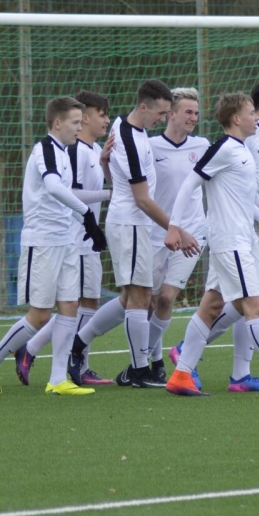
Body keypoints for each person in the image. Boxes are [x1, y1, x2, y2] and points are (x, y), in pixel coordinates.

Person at [164, 93, 259, 397]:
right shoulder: (223, 149)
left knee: (211, 307)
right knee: (254, 308)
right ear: (236, 119)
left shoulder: (241, 149)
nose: (256, 117)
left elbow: (242, 198)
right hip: (230, 243)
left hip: (238, 240)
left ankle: (181, 376)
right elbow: (190, 183)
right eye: (250, 113)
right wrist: (174, 226)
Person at [66, 80, 200, 389]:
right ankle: (139, 371)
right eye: (161, 113)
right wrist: (176, 228)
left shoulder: (128, 130)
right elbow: (141, 199)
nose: (163, 119)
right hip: (130, 224)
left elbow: (120, 183)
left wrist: (105, 164)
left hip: (135, 224)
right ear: (143, 107)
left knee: (131, 298)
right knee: (140, 297)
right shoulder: (128, 137)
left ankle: (78, 344)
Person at [0, 97, 107, 396]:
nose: (79, 127)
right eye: (75, 122)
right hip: (43, 242)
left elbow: (67, 196)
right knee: (40, 315)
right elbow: (54, 187)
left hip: (66, 241)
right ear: (57, 123)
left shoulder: (65, 153)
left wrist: (94, 217)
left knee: (70, 307)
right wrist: (87, 216)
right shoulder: (44, 149)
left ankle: (57, 379)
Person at [13, 90, 114, 386]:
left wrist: (106, 166)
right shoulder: (73, 150)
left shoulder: (93, 150)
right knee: (77, 305)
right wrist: (107, 197)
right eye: (101, 114)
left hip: (84, 238)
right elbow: (70, 192)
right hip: (72, 238)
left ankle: (57, 360)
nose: (106, 120)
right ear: (84, 118)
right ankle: (63, 360)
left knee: (82, 304)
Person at [142, 87, 209, 385]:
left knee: (167, 299)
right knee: (148, 302)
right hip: (155, 234)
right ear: (171, 113)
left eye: (197, 113)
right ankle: (155, 361)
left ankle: (140, 360)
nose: (194, 117)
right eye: (188, 112)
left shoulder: (203, 146)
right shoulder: (150, 146)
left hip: (192, 235)